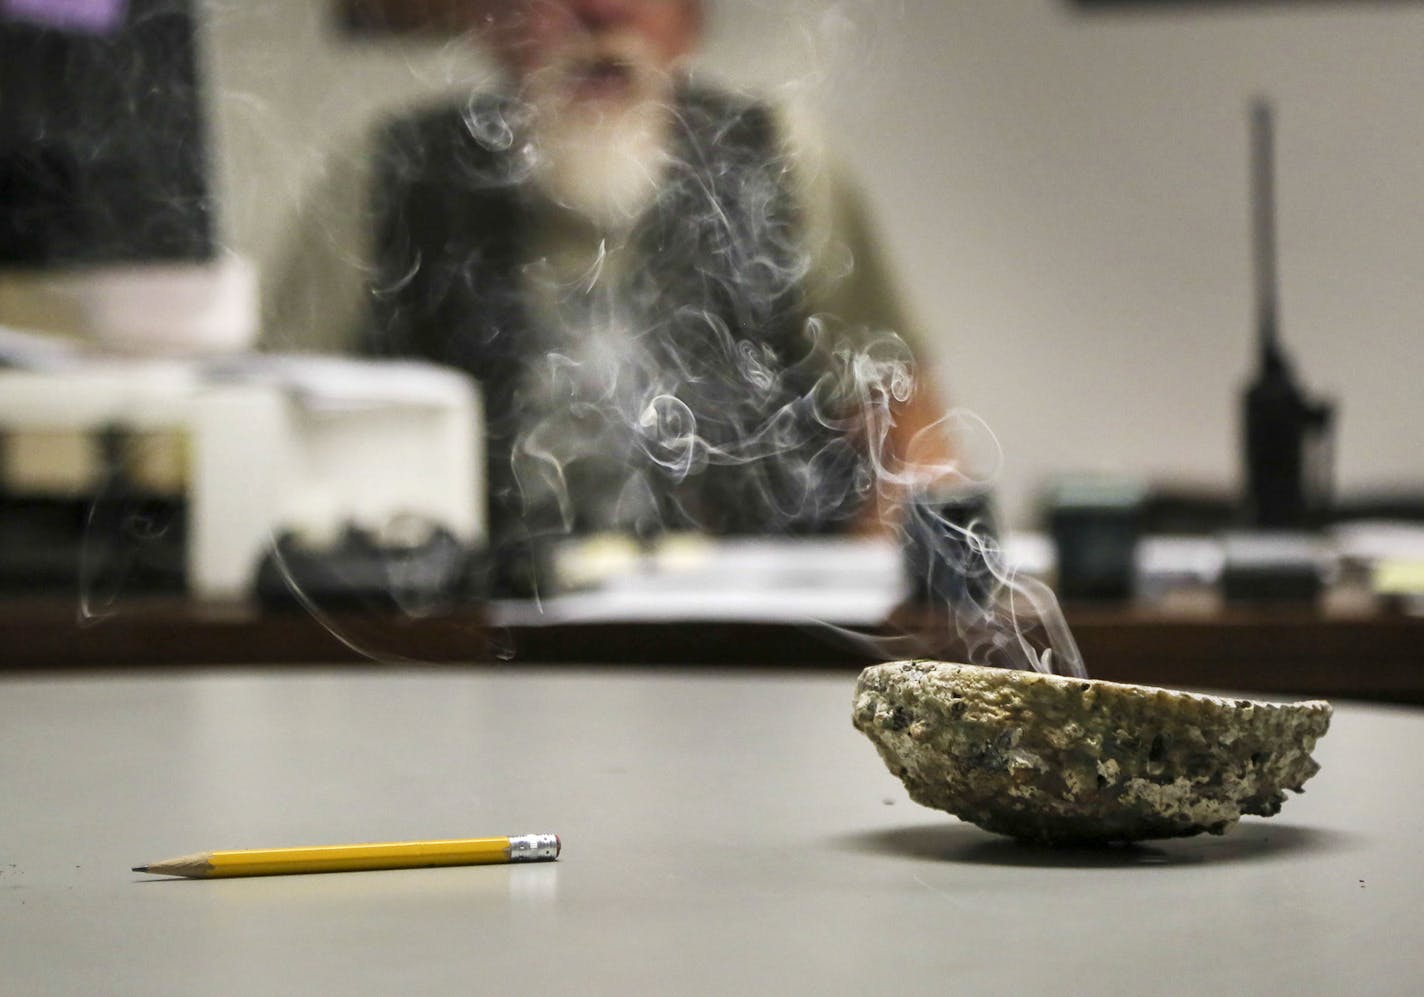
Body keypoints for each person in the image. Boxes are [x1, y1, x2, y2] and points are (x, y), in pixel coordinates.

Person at [272, 0, 949, 569]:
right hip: (460, 653)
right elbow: (273, 432)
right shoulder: (390, 174)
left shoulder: (780, 163)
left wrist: (851, 628)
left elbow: (915, 448)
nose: (600, 12)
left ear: (692, 20)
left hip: (741, 655)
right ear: (493, 19)